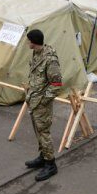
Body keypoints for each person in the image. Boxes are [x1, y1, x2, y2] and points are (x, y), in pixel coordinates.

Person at [23, 29, 63, 182]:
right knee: (38, 132)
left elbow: (57, 84)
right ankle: (43, 156)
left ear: (33, 41)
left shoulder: (50, 59)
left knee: (44, 133)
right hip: (34, 101)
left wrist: (43, 101)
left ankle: (51, 164)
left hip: (41, 103)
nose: (27, 43)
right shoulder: (36, 54)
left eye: (28, 40)